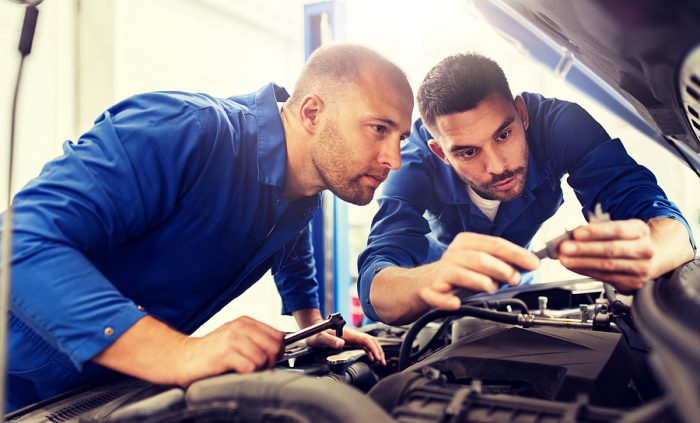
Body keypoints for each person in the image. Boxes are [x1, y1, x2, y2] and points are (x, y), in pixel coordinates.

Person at [3, 43, 414, 411]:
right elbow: (19, 244)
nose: (394, 160)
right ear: (312, 112)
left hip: (107, 390)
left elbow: (291, 251)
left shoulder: (302, 195)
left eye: (400, 137)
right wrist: (179, 353)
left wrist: (313, 329)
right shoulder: (185, 130)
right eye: (379, 128)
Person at [358, 53, 695, 325]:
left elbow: (665, 225)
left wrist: (650, 252)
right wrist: (429, 280)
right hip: (432, 306)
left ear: (522, 114)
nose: (497, 166)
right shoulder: (412, 165)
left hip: (517, 292)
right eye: (468, 152)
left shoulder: (561, 126)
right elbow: (376, 282)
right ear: (440, 153)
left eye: (503, 135)